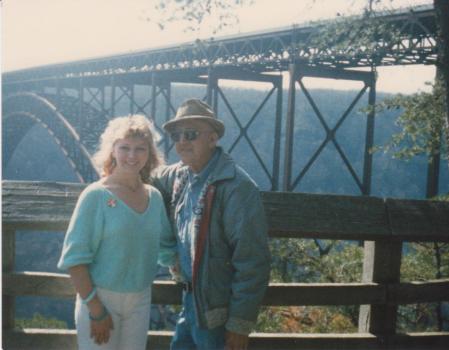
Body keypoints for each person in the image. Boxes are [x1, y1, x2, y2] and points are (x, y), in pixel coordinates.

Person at [154, 99, 271, 350]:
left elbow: (252, 262)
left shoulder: (236, 187)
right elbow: (149, 174)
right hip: (191, 305)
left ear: (213, 138)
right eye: (177, 135)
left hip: (218, 315)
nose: (182, 141)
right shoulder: (181, 174)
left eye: (191, 134)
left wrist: (239, 326)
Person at [58, 115, 171, 350]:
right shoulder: (96, 196)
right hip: (100, 298)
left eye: (140, 148)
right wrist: (96, 310)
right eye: (125, 148)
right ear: (112, 151)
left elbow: (166, 248)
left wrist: (189, 269)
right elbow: (74, 260)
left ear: (150, 153)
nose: (132, 156)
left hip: (140, 299)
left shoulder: (154, 197)